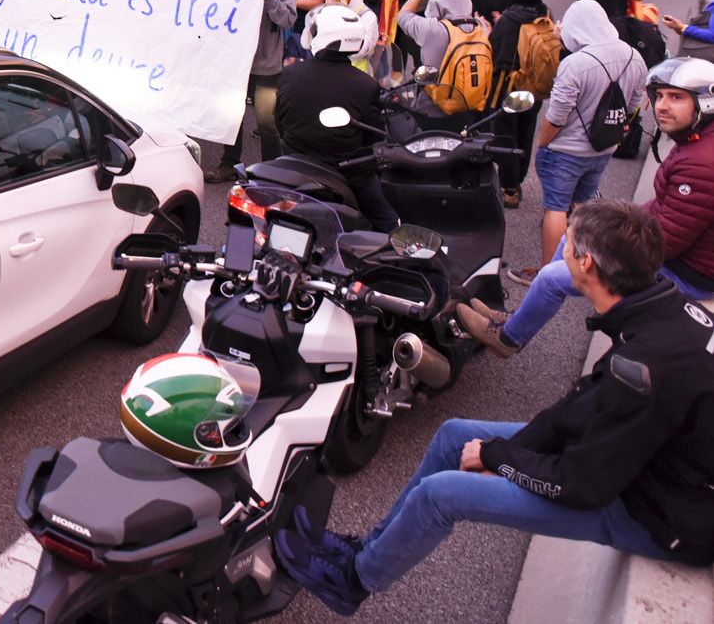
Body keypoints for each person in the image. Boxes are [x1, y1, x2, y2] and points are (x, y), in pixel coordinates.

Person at [278, 200, 714, 618]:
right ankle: (368, 549)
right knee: (454, 434)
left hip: (655, 512)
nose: (563, 244)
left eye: (570, 240)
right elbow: (579, 413)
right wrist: (500, 453)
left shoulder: (640, 370)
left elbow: (584, 486)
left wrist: (498, 458)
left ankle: (352, 581)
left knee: (440, 496)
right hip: (638, 462)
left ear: (586, 265)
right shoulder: (660, 308)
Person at [460, 59, 714, 357]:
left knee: (551, 278)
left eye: (676, 97)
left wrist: (608, 244)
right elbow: (662, 210)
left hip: (687, 274)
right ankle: (520, 318)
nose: (661, 106)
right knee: (576, 232)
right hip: (681, 258)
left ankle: (508, 339)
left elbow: (665, 244)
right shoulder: (696, 143)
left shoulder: (700, 163)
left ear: (705, 102)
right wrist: (608, 224)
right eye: (659, 96)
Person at [531, 0, 647, 265]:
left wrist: (543, 144)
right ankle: (580, 265)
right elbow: (632, 105)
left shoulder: (575, 64)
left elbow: (557, 117)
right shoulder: (634, 56)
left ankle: (549, 272)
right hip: (603, 147)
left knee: (556, 209)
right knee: (582, 208)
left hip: (566, 151)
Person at [276, 5, 399, 231]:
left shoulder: (292, 73)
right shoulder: (365, 84)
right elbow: (371, 138)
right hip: (346, 169)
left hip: (293, 160)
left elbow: (280, 121)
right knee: (389, 220)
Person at [208, 0, 298, 182]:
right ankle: (229, 163)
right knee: (230, 117)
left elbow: (288, 19)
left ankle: (271, 171)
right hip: (237, 60)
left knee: (267, 122)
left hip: (267, 62)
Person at [486, 0, 549, 207]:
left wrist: (490, 31)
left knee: (504, 133)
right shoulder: (544, 13)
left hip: (508, 82)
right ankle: (518, 179)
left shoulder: (510, 20)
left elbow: (495, 51)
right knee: (526, 130)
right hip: (534, 83)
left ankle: (508, 187)